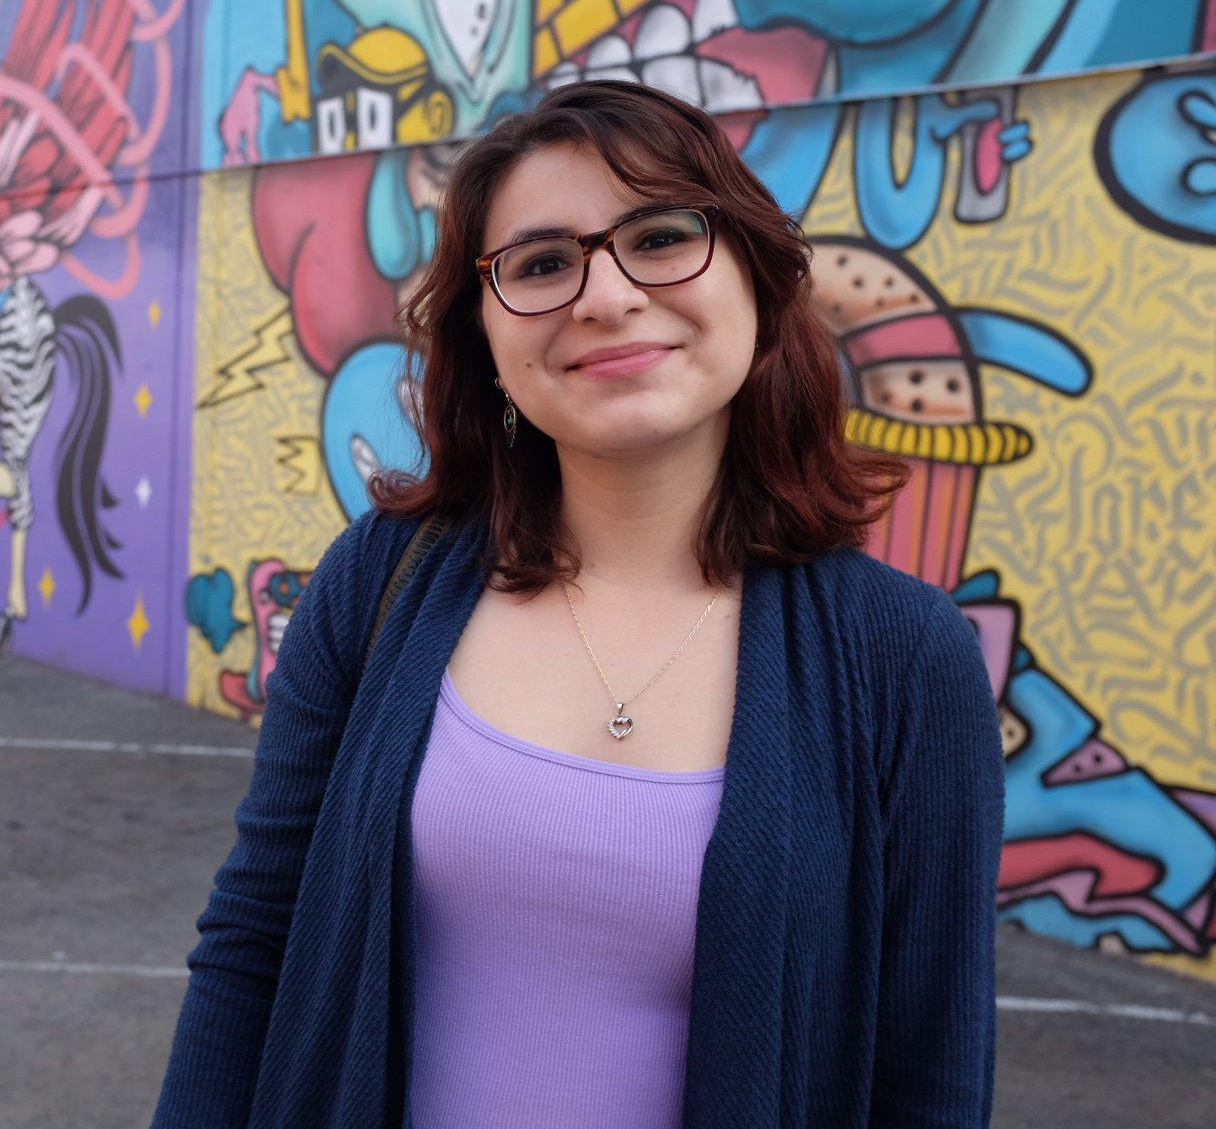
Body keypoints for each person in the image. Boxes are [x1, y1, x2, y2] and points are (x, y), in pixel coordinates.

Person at [154, 80, 1005, 1128]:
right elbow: (257, 934)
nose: (604, 296)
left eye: (659, 235)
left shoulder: (905, 659)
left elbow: (931, 1066)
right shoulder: (381, 579)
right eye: (543, 263)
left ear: (756, 280)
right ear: (489, 338)